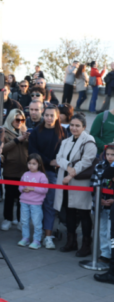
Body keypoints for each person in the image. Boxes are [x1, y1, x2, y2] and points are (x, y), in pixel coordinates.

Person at [55, 113, 96, 256]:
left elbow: (87, 161)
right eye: (72, 125)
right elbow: (58, 158)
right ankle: (71, 241)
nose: (74, 128)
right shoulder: (66, 141)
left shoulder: (89, 140)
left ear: (84, 127)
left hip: (80, 183)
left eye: (77, 125)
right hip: (65, 180)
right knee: (69, 211)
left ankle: (86, 244)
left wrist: (71, 173)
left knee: (84, 213)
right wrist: (69, 168)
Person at [28, 105, 67, 249]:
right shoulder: (36, 131)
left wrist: (57, 161)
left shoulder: (63, 131)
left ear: (57, 116)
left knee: (50, 205)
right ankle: (35, 235)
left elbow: (66, 150)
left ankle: (48, 236)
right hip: (36, 172)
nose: (49, 118)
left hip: (53, 173)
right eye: (47, 115)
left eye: (52, 115)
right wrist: (47, 160)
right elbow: (32, 150)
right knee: (34, 205)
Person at [1, 109, 29, 231]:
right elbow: (2, 149)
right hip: (10, 169)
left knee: (22, 197)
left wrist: (27, 138)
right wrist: (18, 140)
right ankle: (8, 218)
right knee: (9, 196)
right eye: (17, 119)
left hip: (24, 169)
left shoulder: (26, 131)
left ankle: (19, 219)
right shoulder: (3, 131)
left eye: (22, 120)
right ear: (11, 119)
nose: (19, 122)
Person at [17, 154, 49, 250]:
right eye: (29, 163)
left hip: (36, 203)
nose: (31, 165)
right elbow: (20, 186)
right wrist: (23, 189)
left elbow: (45, 189)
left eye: (34, 163)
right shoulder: (25, 174)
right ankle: (25, 238)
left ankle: (37, 240)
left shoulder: (42, 176)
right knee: (24, 221)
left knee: (36, 222)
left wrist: (32, 188)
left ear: (39, 164)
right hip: (24, 201)